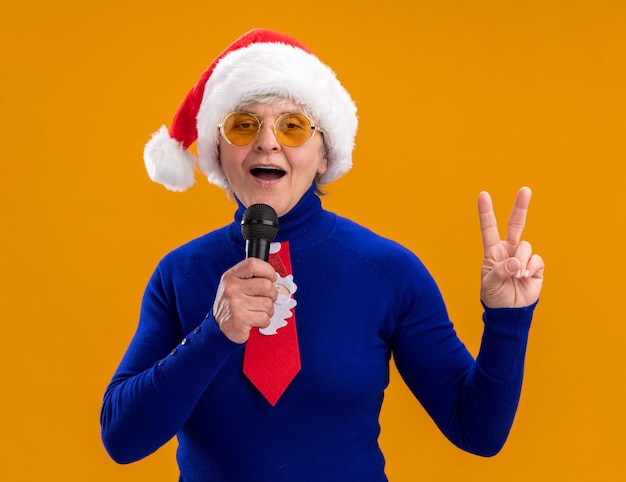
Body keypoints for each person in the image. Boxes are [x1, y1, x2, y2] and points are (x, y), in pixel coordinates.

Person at [100, 28, 544, 481]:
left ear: (325, 155)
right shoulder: (179, 273)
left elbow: (478, 432)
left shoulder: (389, 272)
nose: (267, 142)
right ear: (218, 151)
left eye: (292, 126)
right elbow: (122, 438)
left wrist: (508, 319)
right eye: (243, 124)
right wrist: (215, 334)